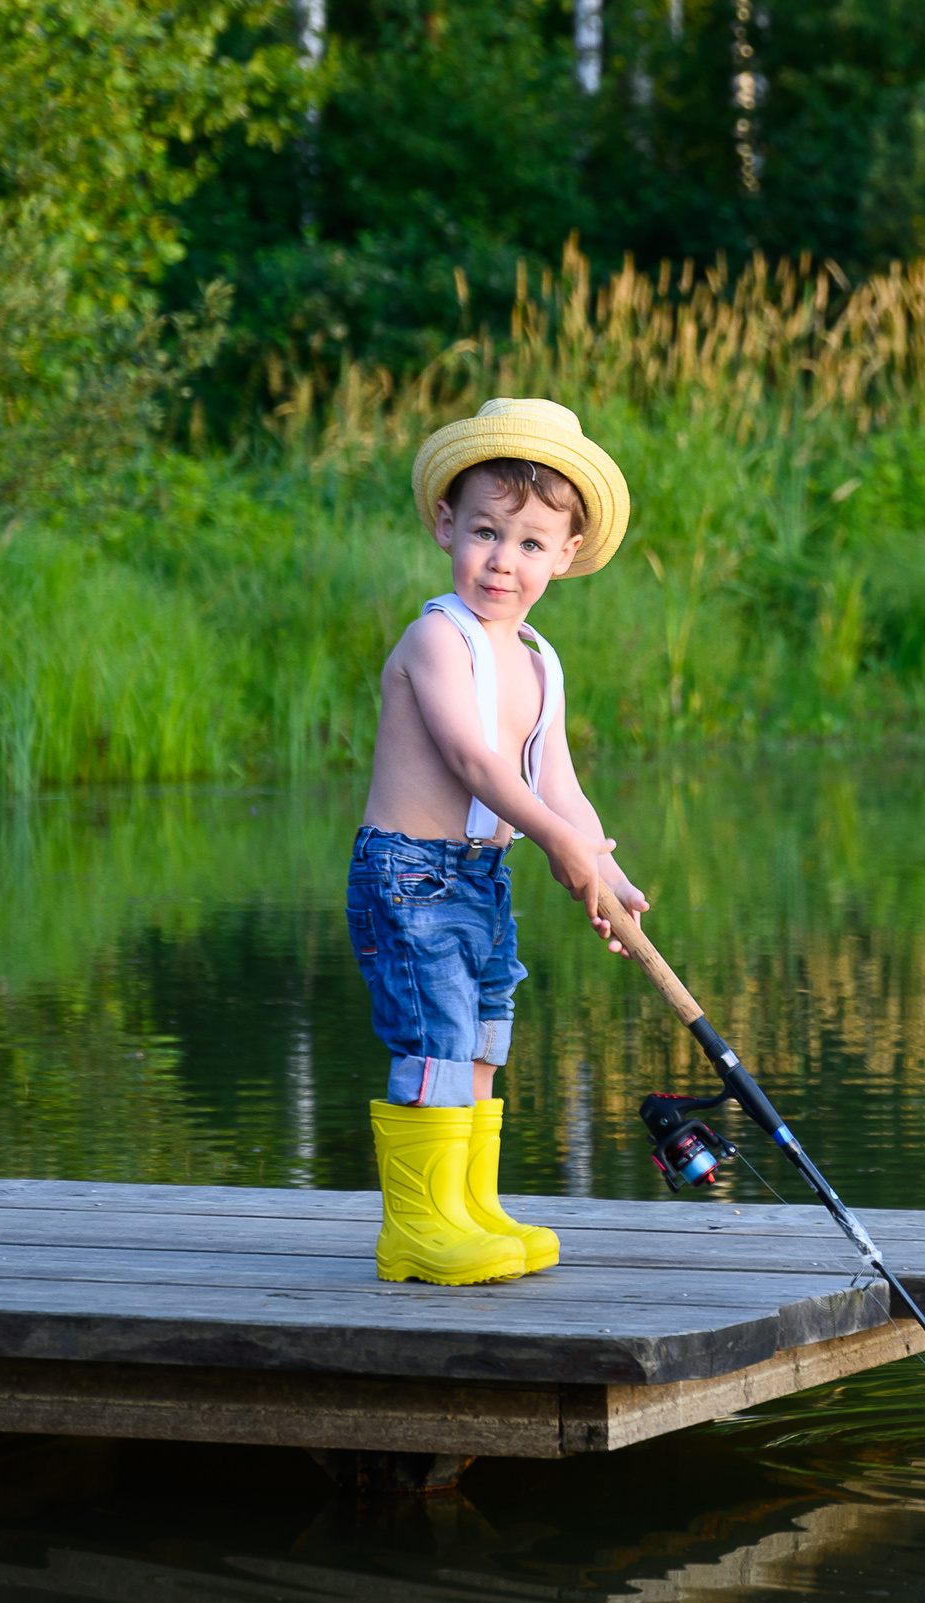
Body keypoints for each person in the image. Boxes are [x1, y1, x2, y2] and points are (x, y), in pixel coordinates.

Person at [348, 397, 646, 1285]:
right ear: (447, 525)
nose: (502, 561)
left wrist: (604, 868)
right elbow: (476, 761)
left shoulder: (540, 661)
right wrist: (557, 842)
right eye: (485, 532)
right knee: (435, 1036)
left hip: (482, 876)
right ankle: (418, 1226)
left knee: (483, 1033)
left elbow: (558, 784)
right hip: (409, 876)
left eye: (529, 543)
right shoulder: (436, 638)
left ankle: (470, 1205)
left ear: (566, 554)